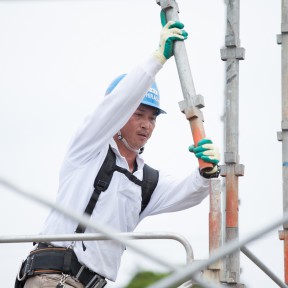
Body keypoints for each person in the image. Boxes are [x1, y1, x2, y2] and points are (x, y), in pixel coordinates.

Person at [16, 18, 220, 288]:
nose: (147, 124)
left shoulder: (145, 181)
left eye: (152, 117)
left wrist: (207, 172)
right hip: (53, 279)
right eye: (138, 114)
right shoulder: (88, 149)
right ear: (121, 114)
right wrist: (157, 59)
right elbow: (117, 103)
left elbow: (189, 191)